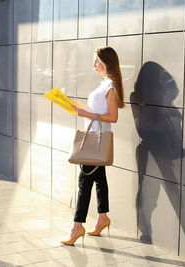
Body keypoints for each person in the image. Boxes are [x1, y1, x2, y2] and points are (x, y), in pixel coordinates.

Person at [61, 46, 125, 246]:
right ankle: (102, 218)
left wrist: (87, 114)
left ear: (108, 63)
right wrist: (79, 107)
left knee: (84, 182)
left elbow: (113, 117)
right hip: (95, 140)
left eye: (97, 61)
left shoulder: (111, 87)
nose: (94, 65)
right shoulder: (104, 84)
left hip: (96, 141)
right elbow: (97, 111)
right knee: (99, 180)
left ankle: (77, 226)